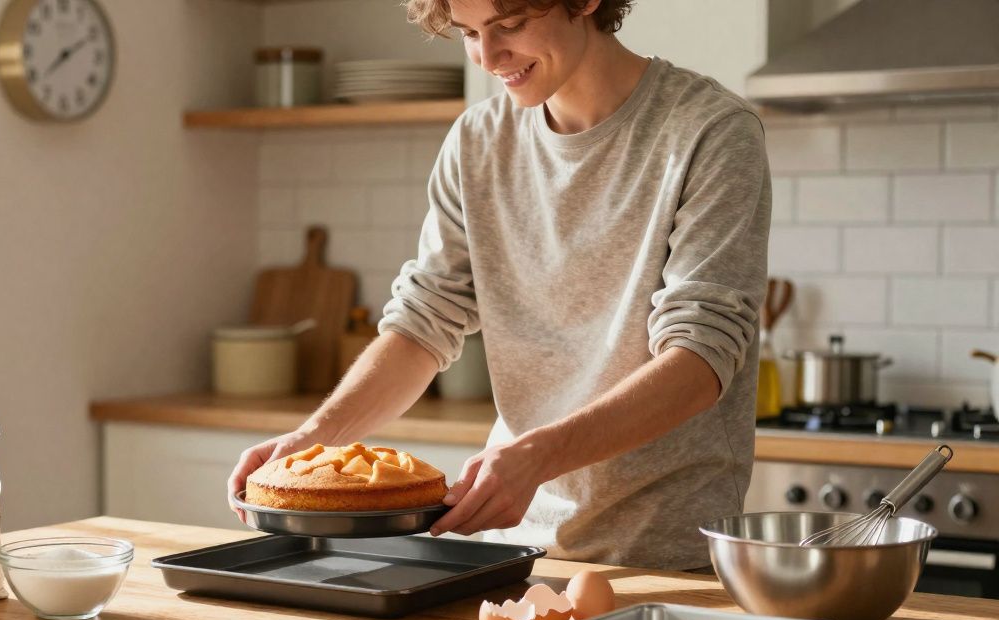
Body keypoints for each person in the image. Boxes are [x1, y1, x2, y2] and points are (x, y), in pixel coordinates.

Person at [227, 0, 769, 572]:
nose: (488, 56)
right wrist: (315, 439)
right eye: (469, 33)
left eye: (510, 25)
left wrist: (538, 456)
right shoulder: (477, 140)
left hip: (664, 555)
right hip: (511, 548)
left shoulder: (709, 130)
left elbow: (701, 359)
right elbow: (423, 321)